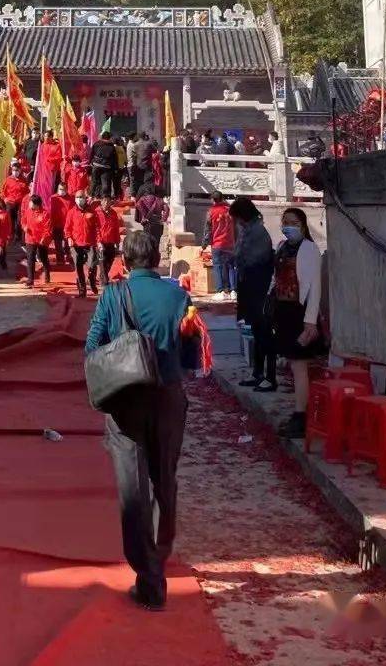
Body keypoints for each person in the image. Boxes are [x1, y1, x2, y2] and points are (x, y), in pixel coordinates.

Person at [85, 229, 201, 611]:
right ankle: (158, 559)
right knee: (164, 482)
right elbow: (191, 359)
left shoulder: (114, 294)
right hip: (168, 398)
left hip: (126, 401)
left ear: (125, 258)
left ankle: (148, 575)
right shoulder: (179, 296)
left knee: (133, 491)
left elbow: (92, 347)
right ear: (155, 258)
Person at [271, 207, 324, 438]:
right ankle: (298, 412)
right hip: (283, 311)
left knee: (300, 366)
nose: (288, 226)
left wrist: (310, 321)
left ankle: (302, 415)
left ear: (303, 226)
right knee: (294, 364)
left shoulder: (309, 249)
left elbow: (315, 287)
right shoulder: (282, 248)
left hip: (300, 313)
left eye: (293, 222)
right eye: (285, 222)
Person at [229, 198, 276, 392]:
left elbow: (256, 258)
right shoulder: (246, 230)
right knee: (257, 332)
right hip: (249, 285)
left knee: (265, 332)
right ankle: (257, 372)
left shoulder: (258, 232)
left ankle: (270, 376)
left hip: (259, 287)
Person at [202, 192, 236, 301]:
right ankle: (233, 290)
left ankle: (221, 291)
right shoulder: (231, 210)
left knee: (218, 266)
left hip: (217, 244)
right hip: (230, 243)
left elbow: (208, 230)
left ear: (213, 200)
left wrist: (204, 244)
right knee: (231, 266)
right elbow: (237, 227)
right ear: (222, 198)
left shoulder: (211, 212)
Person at [65, 192, 100, 298]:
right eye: (78, 197)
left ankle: (92, 281)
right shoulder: (71, 212)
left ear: (86, 199)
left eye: (82, 197)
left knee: (92, 265)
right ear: (75, 199)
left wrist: (99, 241)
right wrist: (69, 238)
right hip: (76, 244)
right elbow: (67, 228)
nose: (80, 199)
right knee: (78, 267)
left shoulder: (92, 212)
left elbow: (98, 228)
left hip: (90, 243)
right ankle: (82, 290)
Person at [22, 194, 52, 288]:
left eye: (31, 202)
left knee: (43, 257)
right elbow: (23, 221)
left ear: (36, 204)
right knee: (30, 258)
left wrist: (44, 237)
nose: (29, 204)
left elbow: (48, 228)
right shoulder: (28, 211)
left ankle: (47, 274)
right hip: (30, 239)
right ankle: (30, 279)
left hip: (42, 240)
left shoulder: (45, 213)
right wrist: (24, 227)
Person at [0, 161, 30, 245]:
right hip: (10, 203)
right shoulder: (8, 180)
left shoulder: (24, 180)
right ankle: (10, 236)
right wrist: (5, 199)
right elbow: (2, 191)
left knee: (19, 220)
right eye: (13, 170)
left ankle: (18, 237)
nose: (15, 172)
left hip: (20, 203)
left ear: (20, 170)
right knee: (9, 220)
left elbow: (27, 192)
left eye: (17, 170)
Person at [134, 188, 168, 258]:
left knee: (147, 241)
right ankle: (155, 258)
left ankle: (148, 258)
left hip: (148, 223)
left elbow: (137, 205)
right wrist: (163, 219)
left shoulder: (142, 199)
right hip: (158, 223)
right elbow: (167, 209)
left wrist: (144, 214)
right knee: (156, 242)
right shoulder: (159, 200)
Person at [94, 198, 122, 281]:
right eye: (104, 201)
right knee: (102, 261)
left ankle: (102, 275)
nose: (106, 203)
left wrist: (117, 241)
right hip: (101, 241)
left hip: (111, 240)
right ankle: (104, 281)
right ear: (101, 202)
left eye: (108, 201)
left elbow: (116, 227)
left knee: (110, 258)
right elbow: (96, 228)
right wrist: (98, 241)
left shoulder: (113, 213)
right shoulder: (96, 213)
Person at [89, 130, 117, 201]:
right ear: (109, 138)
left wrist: (91, 162)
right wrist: (114, 168)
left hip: (96, 165)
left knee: (94, 182)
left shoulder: (96, 144)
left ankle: (92, 196)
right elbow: (114, 159)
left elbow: (92, 154)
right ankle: (105, 198)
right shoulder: (111, 146)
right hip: (106, 167)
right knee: (105, 183)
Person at [49, 182, 72, 268]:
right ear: (57, 189)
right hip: (56, 225)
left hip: (67, 226)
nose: (62, 191)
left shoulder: (70, 199)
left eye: (64, 189)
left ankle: (68, 257)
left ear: (66, 189)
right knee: (58, 244)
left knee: (67, 244)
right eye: (60, 189)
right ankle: (60, 260)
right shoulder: (53, 198)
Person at [0, 198, 12, 269]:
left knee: (1, 256)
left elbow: (9, 227)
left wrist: (8, 238)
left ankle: (4, 270)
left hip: (2, 238)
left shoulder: (6, 213)